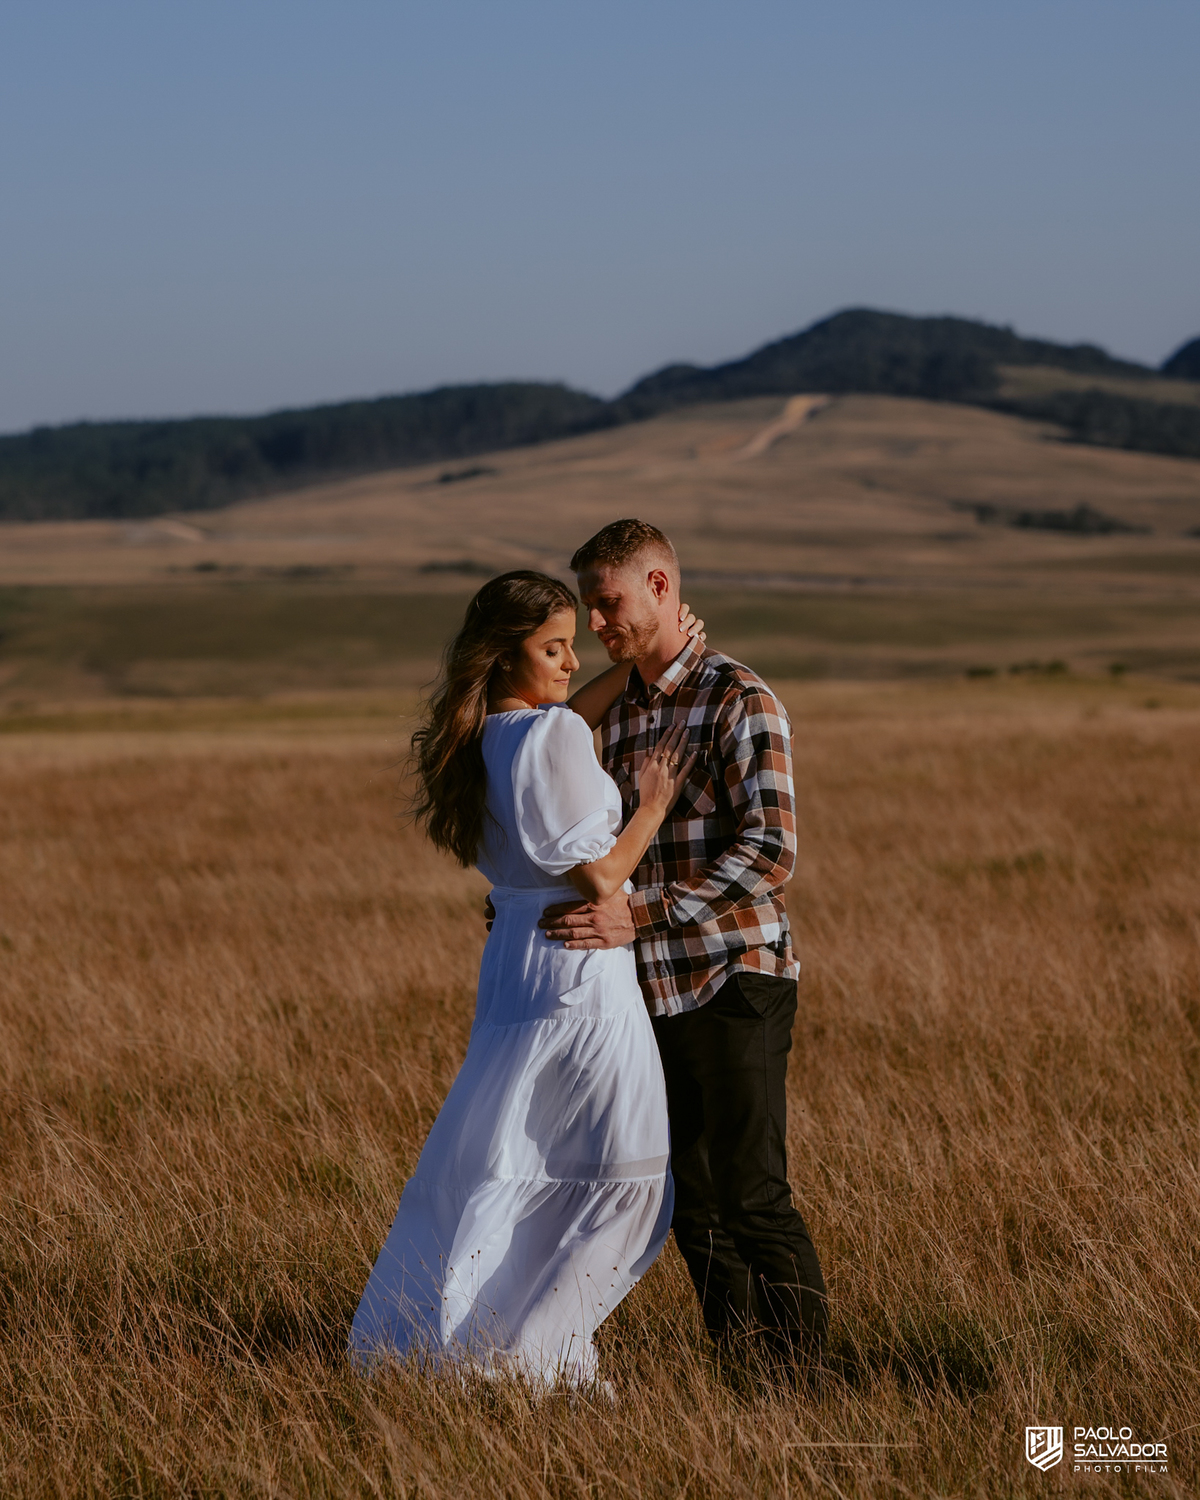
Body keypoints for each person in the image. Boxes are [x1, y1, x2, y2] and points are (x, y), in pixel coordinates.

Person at [349, 570, 702, 1388]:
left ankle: (472, 1336)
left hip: (515, 963)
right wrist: (650, 805)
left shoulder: (484, 739)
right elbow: (596, 879)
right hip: (579, 967)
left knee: (517, 1153)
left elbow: (561, 729)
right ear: (506, 654)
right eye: (553, 648)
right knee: (623, 1167)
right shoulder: (547, 739)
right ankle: (534, 1354)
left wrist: (631, 667)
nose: (572, 662)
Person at [539, 519, 828, 1364]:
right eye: (589, 607)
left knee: (753, 1195)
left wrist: (646, 913)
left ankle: (808, 1387)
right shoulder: (618, 714)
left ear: (661, 587)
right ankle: (744, 1383)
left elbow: (772, 851)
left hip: (736, 978)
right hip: (651, 992)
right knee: (692, 1203)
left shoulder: (741, 698)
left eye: (609, 603)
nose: (594, 623)